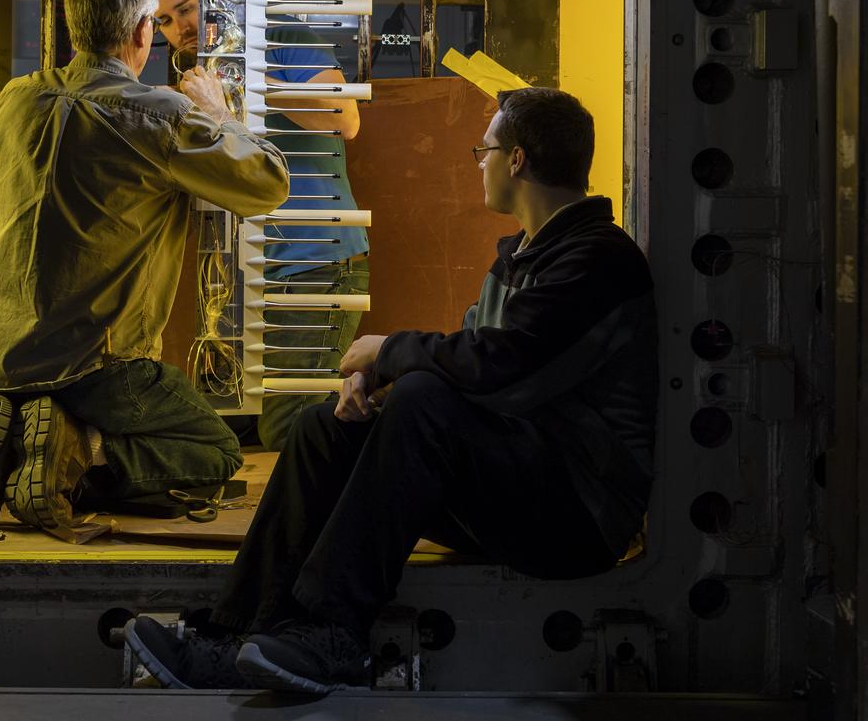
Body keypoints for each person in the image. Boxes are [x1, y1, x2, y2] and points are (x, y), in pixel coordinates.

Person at [125, 87, 659, 691]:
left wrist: (389, 353)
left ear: (517, 161)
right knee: (325, 428)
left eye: (482, 150)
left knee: (422, 403)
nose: (477, 162)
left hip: (575, 516)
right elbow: (474, 364)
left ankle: (332, 632)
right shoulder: (528, 255)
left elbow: (505, 370)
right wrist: (375, 385)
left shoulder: (597, 260)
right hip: (521, 481)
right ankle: (232, 637)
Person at [0, 0, 290, 541]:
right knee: (215, 453)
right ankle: (74, 453)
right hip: (90, 372)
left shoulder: (16, 100)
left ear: (75, 26)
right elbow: (266, 184)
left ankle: (8, 451)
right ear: (142, 31)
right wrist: (218, 112)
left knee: (42, 403)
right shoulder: (157, 116)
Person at [153, 0, 369, 451]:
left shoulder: (280, 32)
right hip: (245, 273)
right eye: (164, 21)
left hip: (314, 262)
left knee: (291, 432)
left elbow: (343, 117)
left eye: (186, 9)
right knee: (225, 425)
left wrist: (240, 82)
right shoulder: (194, 69)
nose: (179, 28)